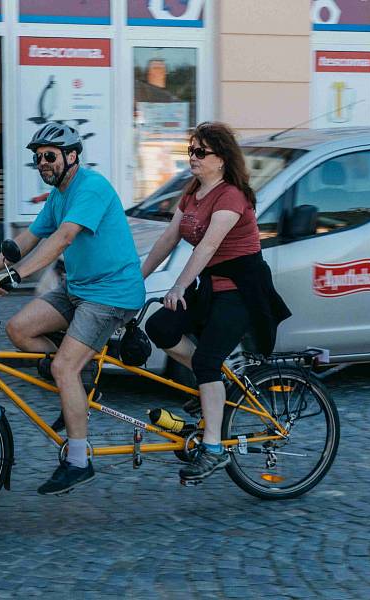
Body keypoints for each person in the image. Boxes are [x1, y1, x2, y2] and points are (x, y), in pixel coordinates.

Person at [0, 122, 145, 495]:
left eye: (49, 157)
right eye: (38, 159)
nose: (42, 164)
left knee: (62, 365)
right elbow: (28, 238)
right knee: (19, 330)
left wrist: (17, 276)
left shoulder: (92, 187)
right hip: (79, 289)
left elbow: (64, 237)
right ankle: (78, 379)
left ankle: (79, 461)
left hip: (111, 294)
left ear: (71, 157)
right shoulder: (58, 196)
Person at [140, 122, 291, 482]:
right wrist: (135, 278)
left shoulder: (231, 197)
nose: (192, 157)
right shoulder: (193, 191)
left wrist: (178, 286)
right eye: (190, 151)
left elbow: (208, 246)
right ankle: (212, 389)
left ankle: (213, 449)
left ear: (221, 159)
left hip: (242, 289)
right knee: (159, 326)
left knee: (207, 360)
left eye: (200, 152)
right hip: (211, 286)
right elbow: (168, 238)